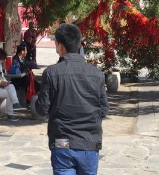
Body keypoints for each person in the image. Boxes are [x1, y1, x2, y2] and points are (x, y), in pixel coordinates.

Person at [35, 23, 109, 175]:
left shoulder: (51, 73)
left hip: (62, 142)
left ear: (60, 46)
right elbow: (104, 110)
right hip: (89, 142)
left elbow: (42, 109)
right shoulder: (97, 74)